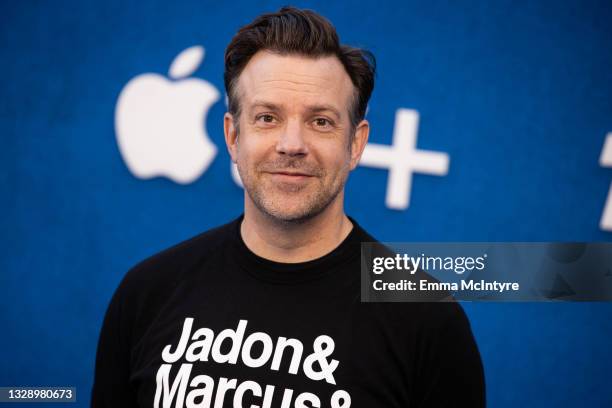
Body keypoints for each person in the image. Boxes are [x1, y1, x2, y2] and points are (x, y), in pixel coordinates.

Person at [92, 6, 485, 407]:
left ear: (356, 144)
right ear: (232, 136)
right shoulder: (147, 293)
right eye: (267, 117)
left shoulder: (425, 319)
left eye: (321, 122)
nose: (292, 144)